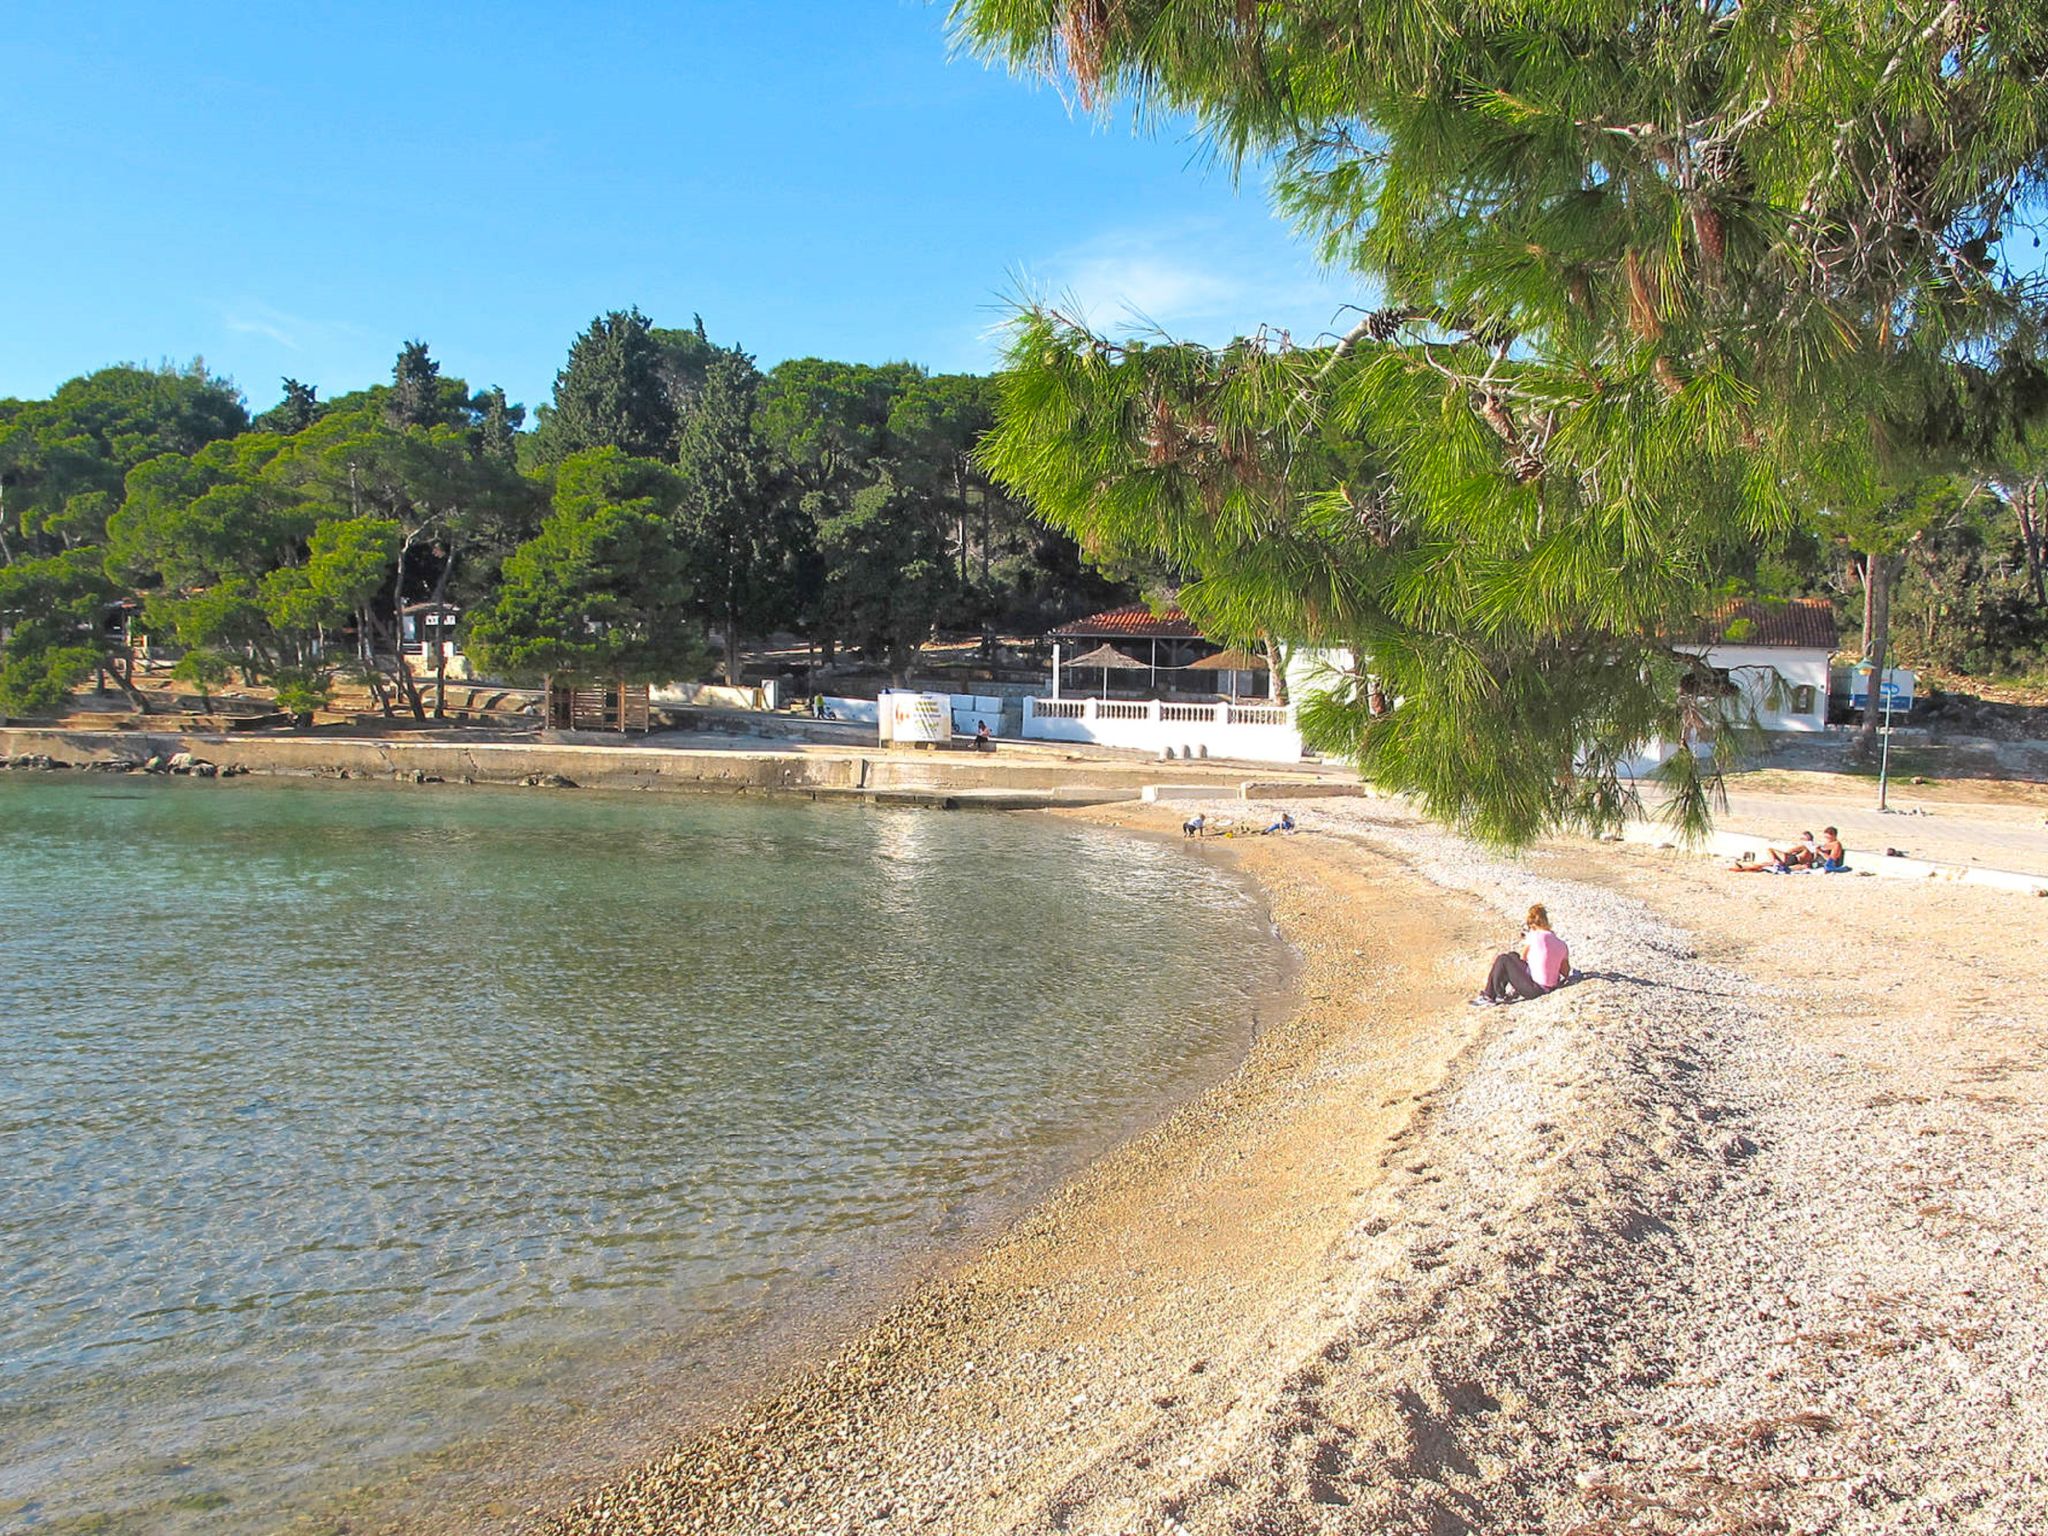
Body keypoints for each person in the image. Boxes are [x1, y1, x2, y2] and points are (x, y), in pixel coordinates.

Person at [1470, 904, 1571, 1006]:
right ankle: (1500, 994)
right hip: (1550, 986)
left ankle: (1489, 995)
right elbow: (1565, 972)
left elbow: (1523, 958)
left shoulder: (1535, 935)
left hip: (1535, 989)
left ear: (1532, 925)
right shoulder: (1561, 944)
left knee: (1503, 959)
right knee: (1512, 955)